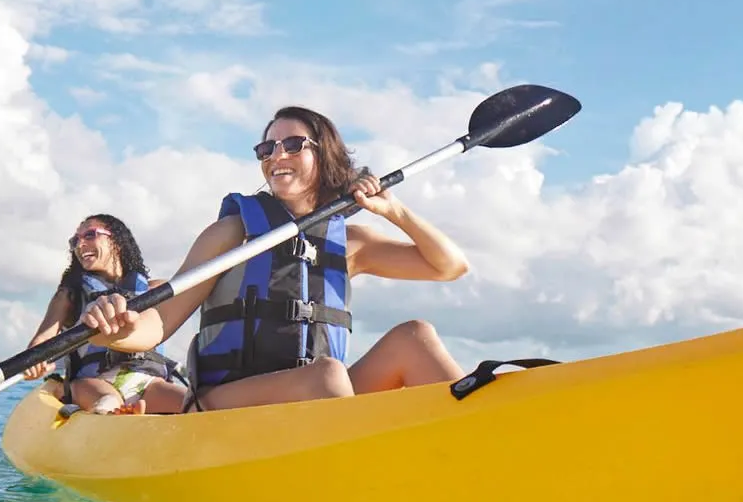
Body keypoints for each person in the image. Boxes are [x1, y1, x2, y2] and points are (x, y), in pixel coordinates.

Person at [77, 105, 470, 412]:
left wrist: (395, 212)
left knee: (414, 338)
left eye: (293, 144)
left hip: (320, 396)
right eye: (267, 148)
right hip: (228, 402)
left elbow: (450, 266)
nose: (276, 155)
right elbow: (159, 323)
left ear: (326, 156)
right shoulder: (234, 233)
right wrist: (116, 329)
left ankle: (483, 442)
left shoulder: (351, 244)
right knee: (327, 377)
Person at [22, 214, 191, 415]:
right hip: (92, 382)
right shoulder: (69, 295)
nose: (80, 245)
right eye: (75, 241)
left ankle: (134, 414)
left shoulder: (157, 289)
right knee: (107, 400)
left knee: (192, 402)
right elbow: (42, 339)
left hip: (147, 380)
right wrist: (34, 361)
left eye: (90, 235)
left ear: (116, 242)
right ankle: (118, 418)